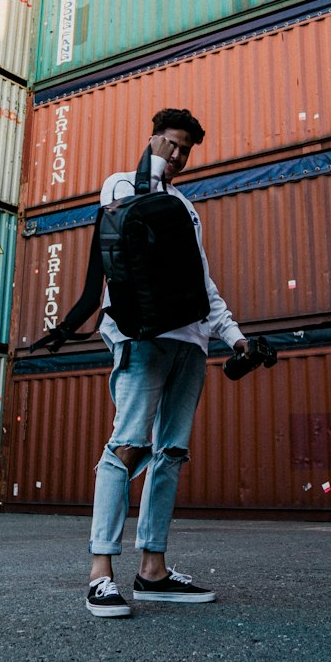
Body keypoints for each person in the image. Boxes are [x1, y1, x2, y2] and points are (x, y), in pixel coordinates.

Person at [86, 107, 247, 619]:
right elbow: (128, 232)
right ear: (152, 139)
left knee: (171, 453)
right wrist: (150, 170)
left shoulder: (187, 207)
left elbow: (203, 284)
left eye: (185, 150)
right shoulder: (121, 185)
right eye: (170, 145)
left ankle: (152, 571)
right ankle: (100, 575)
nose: (177, 156)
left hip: (192, 343)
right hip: (144, 337)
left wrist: (235, 337)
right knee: (127, 446)